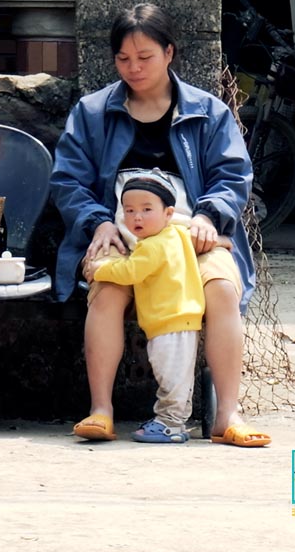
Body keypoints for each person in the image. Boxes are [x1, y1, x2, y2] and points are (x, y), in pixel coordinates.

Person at [50, 2, 271, 448]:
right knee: (108, 289)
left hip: (192, 233)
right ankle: (100, 410)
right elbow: (67, 179)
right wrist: (96, 223)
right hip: (118, 231)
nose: (133, 68)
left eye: (145, 57)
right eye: (123, 59)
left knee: (221, 289)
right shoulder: (93, 113)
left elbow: (233, 176)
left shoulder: (208, 111)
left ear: (169, 53)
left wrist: (210, 216)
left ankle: (227, 414)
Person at [91, 175, 205, 443]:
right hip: (179, 319)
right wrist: (222, 241)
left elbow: (131, 271)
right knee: (176, 374)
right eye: (129, 211)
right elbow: (192, 237)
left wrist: (100, 269)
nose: (137, 218)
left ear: (168, 213)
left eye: (146, 210)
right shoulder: (175, 233)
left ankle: (171, 425)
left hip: (170, 321)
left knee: (171, 376)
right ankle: (169, 420)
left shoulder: (153, 246)